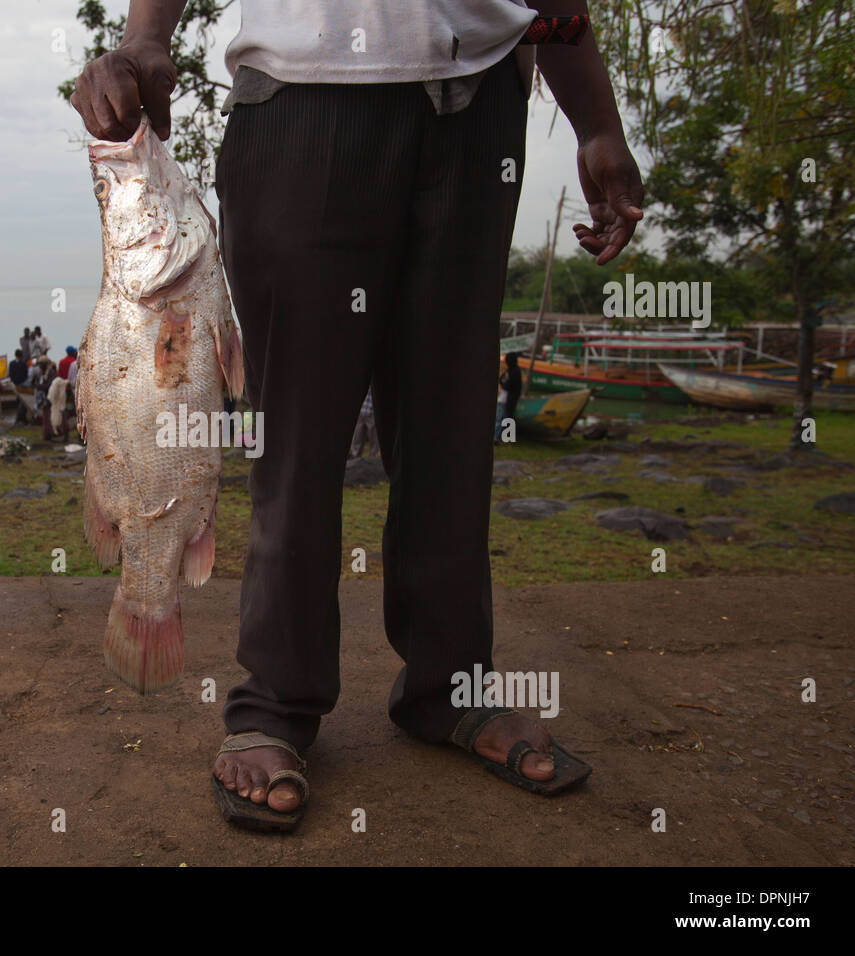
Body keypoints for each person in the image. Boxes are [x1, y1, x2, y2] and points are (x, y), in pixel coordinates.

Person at [70, 0, 644, 829]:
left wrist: (595, 119)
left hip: (479, 109)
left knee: (450, 431)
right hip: (302, 105)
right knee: (296, 439)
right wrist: (144, 37)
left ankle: (453, 690)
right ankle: (274, 702)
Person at [496, 351, 523, 442]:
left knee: (502, 419)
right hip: (507, 399)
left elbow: (508, 385)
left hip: (507, 399)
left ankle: (499, 437)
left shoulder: (514, 372)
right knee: (506, 418)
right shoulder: (512, 370)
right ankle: (506, 438)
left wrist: (503, 384)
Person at [349, 387, 378, 458]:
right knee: (357, 437)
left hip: (372, 413)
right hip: (361, 413)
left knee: (373, 439)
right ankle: (355, 459)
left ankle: (373, 460)